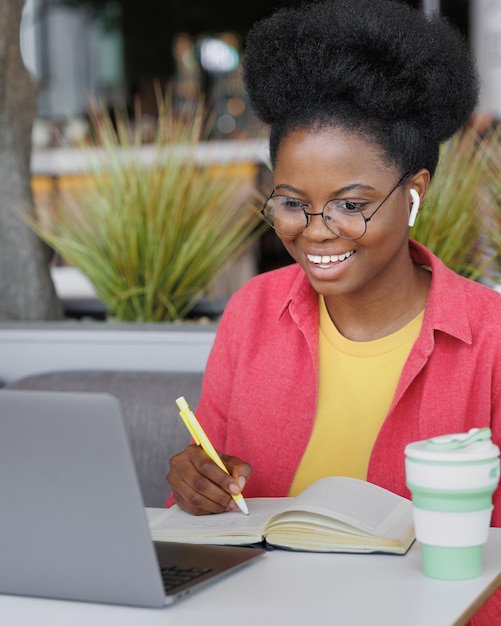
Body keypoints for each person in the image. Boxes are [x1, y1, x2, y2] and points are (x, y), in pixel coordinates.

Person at [167, 2, 501, 623]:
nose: (315, 233)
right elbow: (206, 519)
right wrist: (196, 490)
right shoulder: (253, 312)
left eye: (351, 205)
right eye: (292, 202)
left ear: (414, 194)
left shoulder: (491, 341)